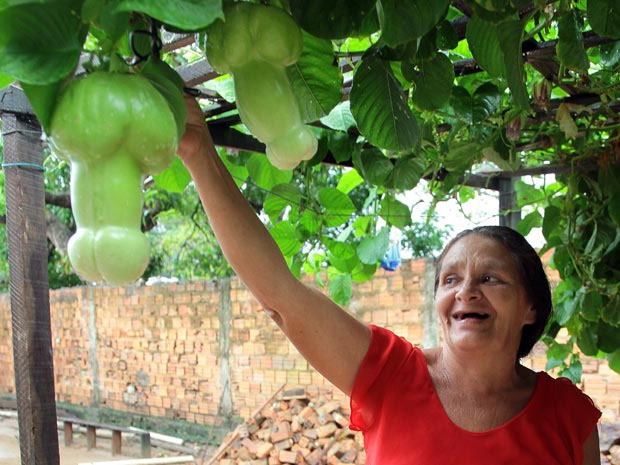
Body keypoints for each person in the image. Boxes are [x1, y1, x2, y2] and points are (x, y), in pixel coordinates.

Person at [177, 95, 601, 464]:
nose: (466, 291)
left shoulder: (569, 416)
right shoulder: (390, 376)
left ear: (531, 306)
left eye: (490, 278)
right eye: (450, 279)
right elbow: (280, 294)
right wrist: (198, 150)